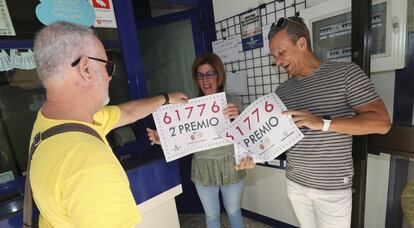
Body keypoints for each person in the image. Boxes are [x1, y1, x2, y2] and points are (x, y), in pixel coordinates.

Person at [30, 21, 188, 228]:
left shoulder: (51, 122)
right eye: (107, 66)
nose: (110, 76)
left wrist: (165, 98)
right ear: (86, 68)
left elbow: (127, 112)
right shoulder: (92, 164)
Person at [268, 16, 391, 228]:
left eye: (281, 53)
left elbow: (381, 122)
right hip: (295, 184)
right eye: (274, 56)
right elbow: (275, 136)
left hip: (332, 190)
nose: (278, 61)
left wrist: (322, 122)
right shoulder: (282, 91)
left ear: (302, 43)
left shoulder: (345, 73)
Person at [146, 52, 255, 228]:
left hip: (231, 165)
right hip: (203, 167)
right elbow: (182, 136)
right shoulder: (188, 106)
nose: (205, 80)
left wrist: (239, 118)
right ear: (196, 79)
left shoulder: (233, 102)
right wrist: (163, 139)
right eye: (200, 75)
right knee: (211, 216)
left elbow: (247, 136)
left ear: (219, 76)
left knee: (234, 211)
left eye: (210, 73)